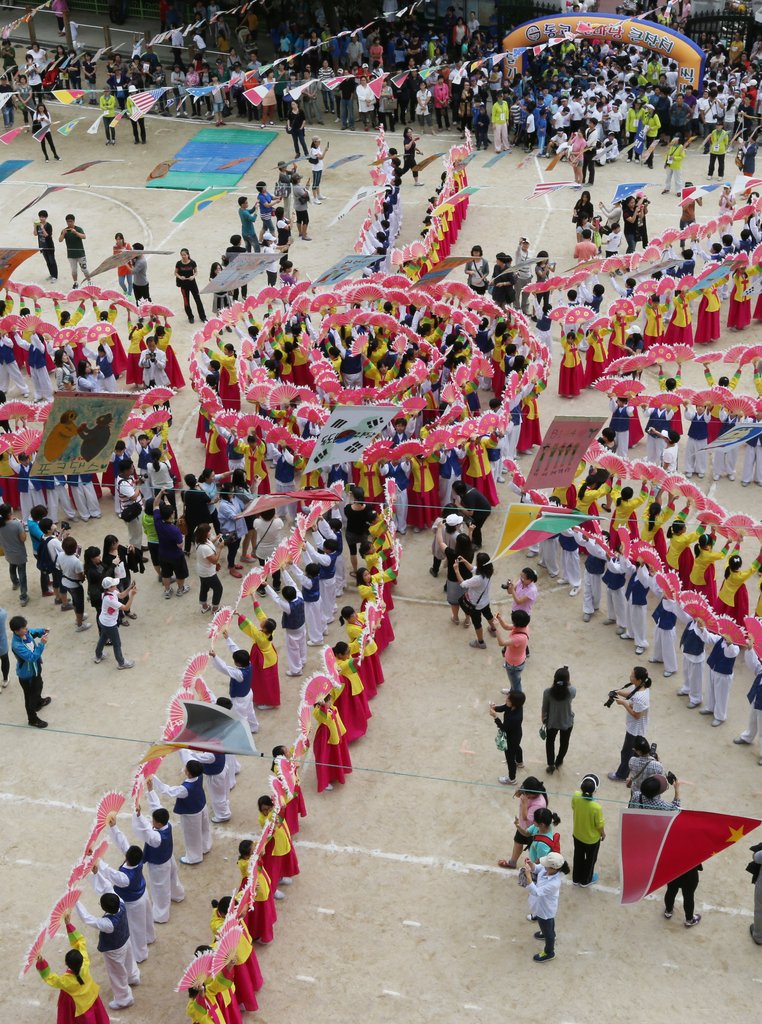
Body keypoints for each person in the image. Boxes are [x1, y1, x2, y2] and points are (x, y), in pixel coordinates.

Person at [35, 913, 111, 1023]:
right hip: (91, 996)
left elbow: (50, 978)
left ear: (66, 963)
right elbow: (80, 942)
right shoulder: (85, 963)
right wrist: (68, 924)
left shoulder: (66, 981)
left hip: (80, 1007)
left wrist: (41, 962)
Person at [131, 779, 185, 924]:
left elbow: (146, 831)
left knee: (160, 889)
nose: (152, 822)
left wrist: (138, 816)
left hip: (159, 865)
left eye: (153, 821)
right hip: (168, 858)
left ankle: (161, 914)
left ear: (159, 823)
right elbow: (157, 808)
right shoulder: (166, 825)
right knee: (173, 878)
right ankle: (178, 894)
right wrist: (150, 790)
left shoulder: (156, 837)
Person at [75, 892, 139, 1010]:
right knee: (129, 961)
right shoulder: (122, 904)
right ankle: (133, 977)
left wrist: (76, 901)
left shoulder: (108, 924)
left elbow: (87, 918)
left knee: (116, 974)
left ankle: (124, 999)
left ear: (104, 908)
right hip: (125, 939)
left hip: (114, 950)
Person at [152, 759, 212, 865]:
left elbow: (168, 791)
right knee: (204, 828)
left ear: (188, 772)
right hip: (202, 806)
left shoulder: (185, 789)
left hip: (191, 814)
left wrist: (153, 777)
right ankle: (205, 846)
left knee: (191, 836)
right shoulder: (199, 775)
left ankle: (194, 857)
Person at [521, 851, 568, 963]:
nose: (544, 865)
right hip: (541, 906)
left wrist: (528, 876)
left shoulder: (554, 883)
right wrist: (531, 864)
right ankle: (546, 932)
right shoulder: (548, 869)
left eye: (546, 864)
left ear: (553, 868)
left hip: (545, 910)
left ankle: (549, 952)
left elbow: (536, 892)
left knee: (548, 931)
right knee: (548, 925)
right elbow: (537, 868)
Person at [608, 666, 652, 781]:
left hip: (635, 730)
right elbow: (631, 694)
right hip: (638, 728)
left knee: (627, 753)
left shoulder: (640, 697)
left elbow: (637, 715)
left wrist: (623, 703)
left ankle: (621, 775)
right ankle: (636, 770)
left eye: (632, 676)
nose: (630, 677)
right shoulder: (641, 687)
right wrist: (619, 692)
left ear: (639, 680)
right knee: (636, 752)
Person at [9, 614, 51, 727]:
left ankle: (38, 702)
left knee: (39, 685)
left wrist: (43, 630)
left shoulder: (25, 633)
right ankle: (32, 719)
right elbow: (31, 657)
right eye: (23, 628)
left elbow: (33, 631)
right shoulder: (17, 645)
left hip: (35, 669)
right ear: (16, 631)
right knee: (29, 698)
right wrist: (41, 644)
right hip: (26, 675)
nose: (26, 629)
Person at [453, 550, 495, 649]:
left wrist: (456, 570)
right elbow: (473, 569)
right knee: (489, 615)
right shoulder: (489, 571)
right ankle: (493, 630)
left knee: (477, 623)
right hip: (485, 601)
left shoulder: (478, 579)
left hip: (476, 605)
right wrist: (464, 561)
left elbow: (463, 584)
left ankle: (480, 642)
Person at [93, 576, 136, 669]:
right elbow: (126, 608)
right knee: (117, 643)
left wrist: (129, 588)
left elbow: (121, 595)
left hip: (103, 621)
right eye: (113, 585)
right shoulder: (109, 599)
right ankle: (121, 663)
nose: (116, 586)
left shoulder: (109, 592)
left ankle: (98, 655)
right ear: (109, 588)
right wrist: (132, 595)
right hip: (109, 624)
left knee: (103, 638)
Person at [571, 774, 605, 887]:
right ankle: (585, 880)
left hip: (577, 834)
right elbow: (599, 825)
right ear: (595, 790)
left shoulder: (576, 796)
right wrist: (603, 834)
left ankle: (576, 878)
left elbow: (573, 807)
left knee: (578, 856)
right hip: (591, 840)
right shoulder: (596, 807)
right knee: (590, 860)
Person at [542, 666, 576, 773]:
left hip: (552, 722)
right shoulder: (571, 691)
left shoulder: (547, 692)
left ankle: (551, 764)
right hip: (567, 722)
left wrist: (544, 719)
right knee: (564, 742)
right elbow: (570, 688)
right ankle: (559, 761)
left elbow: (544, 707)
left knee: (550, 742)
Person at [490, 689, 525, 785]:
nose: (506, 700)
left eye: (508, 700)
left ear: (514, 703)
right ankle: (520, 762)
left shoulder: (515, 718)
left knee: (510, 759)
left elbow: (503, 728)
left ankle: (511, 779)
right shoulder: (515, 706)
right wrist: (495, 708)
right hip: (517, 734)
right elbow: (505, 707)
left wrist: (495, 717)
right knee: (517, 748)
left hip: (511, 738)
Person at [0, 502, 29, 605]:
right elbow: (23, 539)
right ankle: (23, 596)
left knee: (12, 567)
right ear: (9, 513)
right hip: (19, 553)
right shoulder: (16, 524)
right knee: (22, 574)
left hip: (8, 552)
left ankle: (14, 583)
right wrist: (22, 527)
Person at [495, 608, 530, 692]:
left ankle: (516, 698)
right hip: (515, 662)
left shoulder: (519, 638)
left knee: (516, 684)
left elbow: (502, 643)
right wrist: (499, 619)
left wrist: (496, 628)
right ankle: (512, 691)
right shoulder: (524, 626)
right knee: (514, 681)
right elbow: (506, 626)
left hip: (514, 665)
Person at [194, 523, 224, 613]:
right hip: (208, 572)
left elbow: (210, 542)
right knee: (218, 588)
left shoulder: (199, 540)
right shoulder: (204, 548)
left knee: (204, 587)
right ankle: (215, 608)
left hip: (202, 569)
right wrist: (219, 548)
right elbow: (214, 560)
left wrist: (216, 538)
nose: (210, 533)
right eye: (208, 531)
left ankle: (204, 606)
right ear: (204, 534)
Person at [452, 479, 491, 547]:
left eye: (454, 490)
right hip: (477, 507)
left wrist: (458, 506)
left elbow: (470, 513)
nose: (452, 491)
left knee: (475, 527)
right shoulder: (464, 488)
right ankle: (473, 537)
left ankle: (477, 544)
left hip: (482, 512)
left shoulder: (469, 497)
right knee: (470, 523)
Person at [175, 248, 206, 324]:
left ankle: (203, 317)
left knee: (198, 300)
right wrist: (180, 277)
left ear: (188, 255)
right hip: (183, 285)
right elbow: (175, 273)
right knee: (186, 302)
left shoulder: (192, 262)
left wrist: (193, 276)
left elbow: (196, 272)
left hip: (192, 284)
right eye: (182, 255)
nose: (183, 256)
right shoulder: (178, 263)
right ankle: (190, 317)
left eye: (184, 255)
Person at [59, 214, 89, 285]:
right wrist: (63, 234)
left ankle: (89, 281)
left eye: (71, 221)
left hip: (80, 254)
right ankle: (75, 283)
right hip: (71, 255)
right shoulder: (65, 230)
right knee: (74, 271)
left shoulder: (78, 229)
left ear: (74, 221)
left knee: (84, 269)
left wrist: (76, 233)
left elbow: (84, 237)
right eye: (68, 221)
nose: (69, 223)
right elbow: (60, 240)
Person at [34, 209, 58, 281]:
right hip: (42, 246)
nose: (41, 218)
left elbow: (47, 235)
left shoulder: (48, 226)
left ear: (46, 217)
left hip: (49, 246)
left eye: (43, 217)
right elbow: (35, 234)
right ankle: (51, 274)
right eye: (40, 217)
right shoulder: (38, 225)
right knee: (47, 262)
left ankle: (55, 276)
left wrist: (42, 228)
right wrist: (35, 226)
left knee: (52, 261)